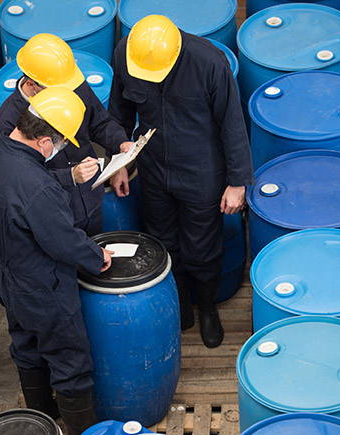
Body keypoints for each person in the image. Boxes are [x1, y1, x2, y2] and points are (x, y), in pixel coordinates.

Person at [0, 86, 114, 435]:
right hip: (44, 286)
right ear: (45, 141)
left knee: (27, 347)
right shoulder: (35, 186)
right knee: (70, 361)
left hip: (6, 275)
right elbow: (62, 238)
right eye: (61, 141)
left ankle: (43, 424)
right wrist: (96, 256)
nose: (63, 148)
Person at [108, 15, 254, 348]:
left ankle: (206, 310)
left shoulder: (209, 63)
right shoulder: (125, 55)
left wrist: (237, 183)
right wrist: (119, 163)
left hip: (202, 170)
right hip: (154, 167)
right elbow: (118, 113)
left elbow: (232, 124)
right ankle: (179, 307)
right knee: (162, 240)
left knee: (202, 247)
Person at [0, 33, 134, 236]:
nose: (66, 95)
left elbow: (100, 123)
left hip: (91, 198)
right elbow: (18, 179)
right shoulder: (8, 121)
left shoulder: (70, 85)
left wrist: (120, 145)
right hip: (53, 215)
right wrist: (69, 176)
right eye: (57, 90)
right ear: (32, 84)